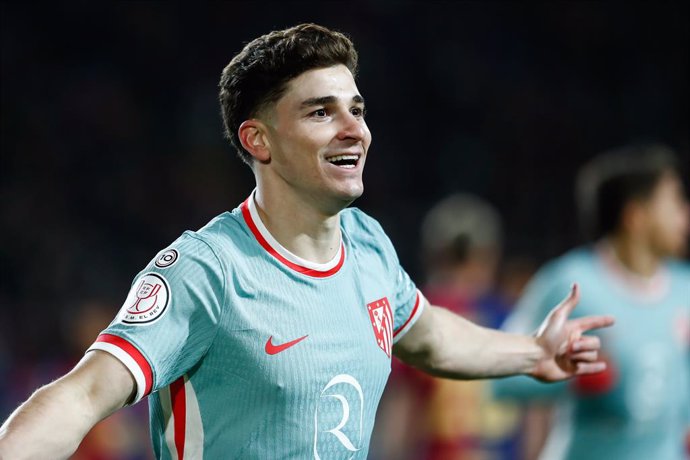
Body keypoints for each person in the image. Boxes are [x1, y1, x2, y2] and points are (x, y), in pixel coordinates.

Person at [0, 23, 614, 459]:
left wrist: (532, 354)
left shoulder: (369, 246)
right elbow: (81, 396)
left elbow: (427, 333)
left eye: (357, 108)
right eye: (321, 112)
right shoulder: (206, 271)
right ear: (259, 141)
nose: (356, 129)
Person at [492, 144, 690, 460]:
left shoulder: (684, 289)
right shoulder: (570, 284)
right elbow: (500, 378)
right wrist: (570, 379)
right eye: (675, 200)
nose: (685, 214)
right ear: (635, 216)